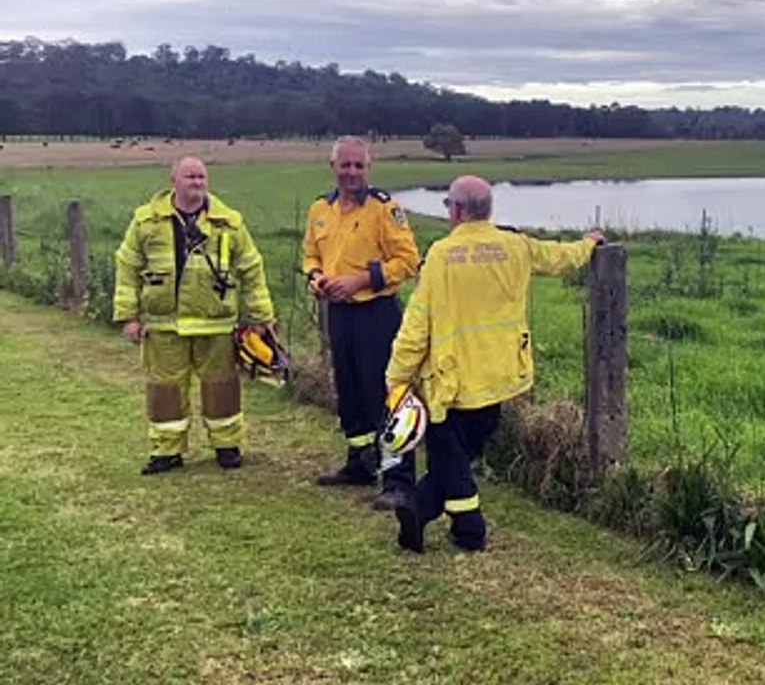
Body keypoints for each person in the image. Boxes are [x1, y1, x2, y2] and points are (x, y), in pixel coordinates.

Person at [386, 174, 604, 553]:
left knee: (451, 457)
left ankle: (464, 527)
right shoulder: (515, 245)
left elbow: (416, 325)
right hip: (500, 376)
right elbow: (559, 257)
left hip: (451, 381)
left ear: (456, 211)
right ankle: (426, 512)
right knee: (457, 457)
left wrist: (397, 377)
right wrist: (589, 244)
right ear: (488, 210)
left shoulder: (441, 255)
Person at [113, 156, 275, 475]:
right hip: (164, 325)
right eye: (190, 176)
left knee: (222, 388)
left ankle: (227, 447)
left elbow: (251, 269)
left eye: (202, 176)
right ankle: (166, 452)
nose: (197, 182)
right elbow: (127, 266)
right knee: (165, 391)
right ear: (173, 181)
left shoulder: (229, 223)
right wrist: (128, 317)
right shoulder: (146, 222)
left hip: (216, 324)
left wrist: (261, 317)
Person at [303, 136, 421, 510]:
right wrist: (316, 279)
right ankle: (360, 464)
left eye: (359, 165)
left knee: (384, 394)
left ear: (369, 168)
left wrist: (361, 280)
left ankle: (398, 480)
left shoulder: (385, 209)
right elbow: (311, 255)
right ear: (333, 167)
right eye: (345, 165)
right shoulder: (320, 209)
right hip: (339, 313)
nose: (352, 172)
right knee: (350, 390)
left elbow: (408, 261)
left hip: (376, 313)